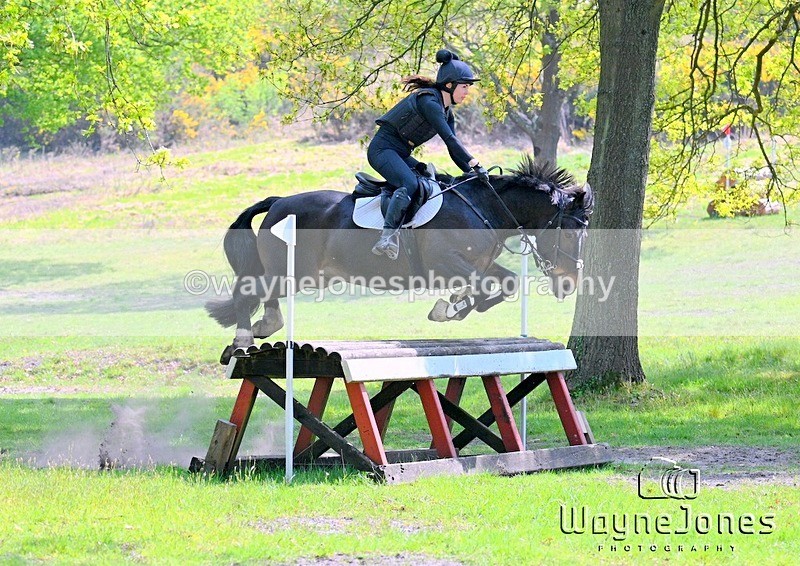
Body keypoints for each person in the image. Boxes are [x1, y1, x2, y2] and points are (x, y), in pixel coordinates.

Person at [368, 49, 490, 259]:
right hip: (382, 150)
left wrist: (470, 173)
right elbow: (450, 139)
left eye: (468, 87)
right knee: (411, 184)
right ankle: (386, 237)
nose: (467, 92)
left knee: (431, 180)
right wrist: (475, 163)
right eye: (464, 86)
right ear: (449, 85)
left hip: (400, 153)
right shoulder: (429, 102)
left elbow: (453, 149)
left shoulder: (446, 111)